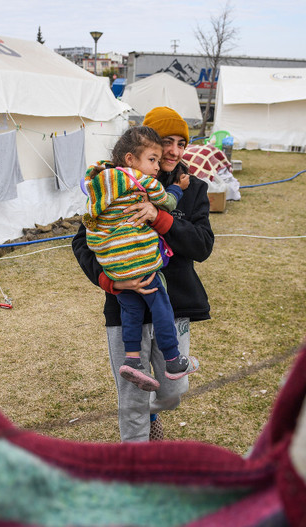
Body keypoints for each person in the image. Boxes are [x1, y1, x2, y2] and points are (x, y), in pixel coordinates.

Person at [73, 107, 214, 442]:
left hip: (173, 304)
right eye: (167, 142)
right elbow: (82, 241)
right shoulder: (112, 183)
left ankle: (152, 411)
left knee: (173, 389)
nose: (174, 151)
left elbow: (202, 245)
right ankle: (136, 462)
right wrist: (110, 281)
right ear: (145, 144)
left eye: (182, 143)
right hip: (124, 305)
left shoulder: (191, 188)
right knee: (131, 400)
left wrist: (160, 217)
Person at [82, 126, 199, 392]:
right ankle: (173, 360)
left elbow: (90, 225)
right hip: (142, 262)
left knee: (131, 312)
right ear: (131, 159)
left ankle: (132, 361)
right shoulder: (141, 181)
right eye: (152, 159)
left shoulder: (97, 184)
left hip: (116, 268)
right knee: (162, 308)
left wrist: (111, 273)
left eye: (181, 143)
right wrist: (178, 189)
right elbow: (168, 202)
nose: (157, 165)